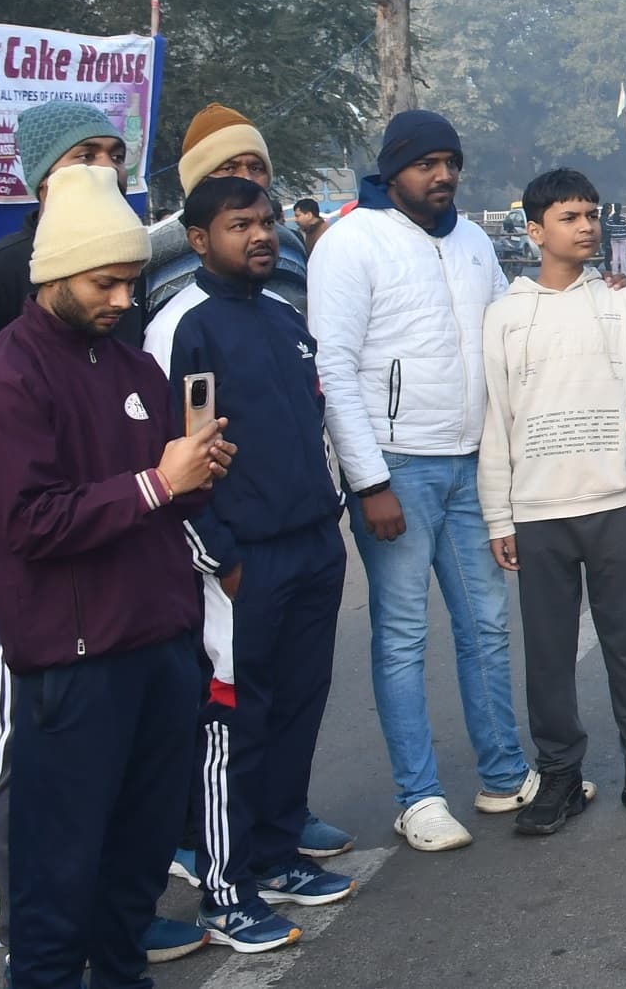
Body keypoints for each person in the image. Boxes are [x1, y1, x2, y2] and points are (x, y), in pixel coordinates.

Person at [0, 162, 237, 987]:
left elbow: (159, 501)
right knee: (56, 894)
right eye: (103, 282)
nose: (121, 299)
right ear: (54, 274)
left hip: (160, 646)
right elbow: (29, 524)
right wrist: (158, 483)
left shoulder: (133, 367)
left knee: (133, 886)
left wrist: (195, 473)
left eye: (130, 281)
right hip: (72, 669)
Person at [309, 110, 537, 853]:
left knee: (487, 627)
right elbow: (334, 367)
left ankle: (504, 774)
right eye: (425, 164)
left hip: (472, 462)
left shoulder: (472, 242)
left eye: (450, 162)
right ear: (392, 169)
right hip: (397, 467)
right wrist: (368, 479)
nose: (442, 176)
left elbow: (508, 329)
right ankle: (419, 797)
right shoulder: (351, 242)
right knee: (404, 636)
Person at [144, 176, 356, 952]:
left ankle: (276, 854)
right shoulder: (181, 327)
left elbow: (316, 421)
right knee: (236, 724)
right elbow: (171, 459)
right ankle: (225, 891)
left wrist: (331, 516)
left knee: (297, 706)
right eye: (241, 225)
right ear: (200, 240)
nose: (262, 235)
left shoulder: (283, 315)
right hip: (239, 563)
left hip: (312, 547)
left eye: (267, 221)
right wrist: (220, 560)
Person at [482, 169, 626, 834]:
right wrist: (499, 515)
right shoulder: (506, 316)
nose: (586, 226)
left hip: (615, 503)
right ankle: (559, 776)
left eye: (591, 214)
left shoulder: (624, 303)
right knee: (549, 653)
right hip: (537, 512)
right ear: (535, 231)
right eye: (569, 217)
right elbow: (495, 421)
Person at [145, 103, 312, 318]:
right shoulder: (152, 250)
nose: (246, 179)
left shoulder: (289, 244)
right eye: (228, 168)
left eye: (256, 168)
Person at [605, 205, 626, 276]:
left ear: (614, 209)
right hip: (623, 238)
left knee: (615, 255)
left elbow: (607, 227)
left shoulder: (610, 218)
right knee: (623, 255)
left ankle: (614, 272)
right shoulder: (624, 218)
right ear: (620, 209)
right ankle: (624, 271)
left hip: (614, 238)